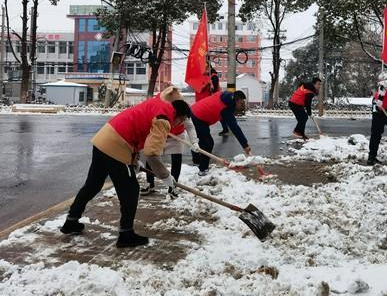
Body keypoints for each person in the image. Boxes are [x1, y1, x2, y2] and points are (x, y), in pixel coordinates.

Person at [60, 89, 192, 248]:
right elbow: (152, 153)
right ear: (180, 115)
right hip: (117, 145)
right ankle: (126, 234)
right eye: (181, 121)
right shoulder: (164, 119)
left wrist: (134, 160)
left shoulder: (158, 105)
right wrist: (165, 176)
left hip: (105, 138)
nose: (178, 125)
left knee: (93, 184)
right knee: (130, 190)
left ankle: (71, 221)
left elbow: (137, 129)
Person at [140, 89, 200, 198]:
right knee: (152, 155)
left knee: (176, 158)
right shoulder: (161, 107)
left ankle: (173, 186)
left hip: (177, 136)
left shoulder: (182, 109)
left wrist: (194, 142)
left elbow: (190, 127)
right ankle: (150, 183)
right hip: (161, 132)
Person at [190, 90, 251, 176]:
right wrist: (245, 145)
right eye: (241, 103)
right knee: (207, 143)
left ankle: (197, 162)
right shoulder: (226, 108)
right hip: (197, 116)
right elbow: (235, 128)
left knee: (201, 141)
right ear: (236, 100)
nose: (242, 106)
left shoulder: (226, 96)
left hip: (198, 113)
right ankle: (203, 169)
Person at [210, 68, 230, 137]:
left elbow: (214, 88)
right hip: (218, 96)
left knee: (220, 114)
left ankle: (226, 129)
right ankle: (226, 129)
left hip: (217, 97)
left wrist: (211, 88)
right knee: (221, 114)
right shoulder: (214, 76)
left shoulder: (214, 77)